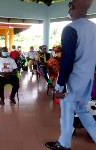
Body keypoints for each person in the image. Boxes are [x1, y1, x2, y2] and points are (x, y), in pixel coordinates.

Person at [45, 1, 96, 150]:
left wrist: (60, 85)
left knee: (67, 112)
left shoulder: (70, 29)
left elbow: (67, 61)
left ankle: (64, 144)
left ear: (72, 8)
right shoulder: (94, 28)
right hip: (87, 79)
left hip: (72, 81)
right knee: (82, 109)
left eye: (70, 9)